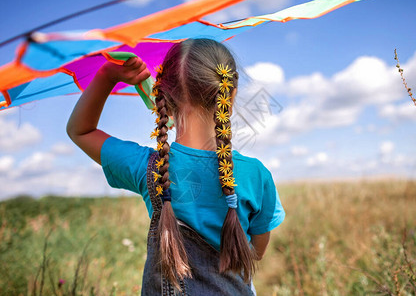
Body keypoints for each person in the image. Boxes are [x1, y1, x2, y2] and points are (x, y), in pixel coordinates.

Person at [67, 38, 285, 295]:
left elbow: (80, 130)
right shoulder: (256, 175)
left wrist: (107, 75)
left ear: (164, 98)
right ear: (231, 93)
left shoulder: (146, 167)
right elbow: (255, 252)